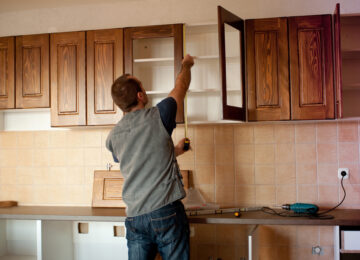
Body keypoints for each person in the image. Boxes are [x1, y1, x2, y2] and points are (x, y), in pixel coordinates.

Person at [106, 54, 194, 260]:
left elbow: (140, 157)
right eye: (143, 88)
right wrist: (186, 65)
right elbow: (181, 86)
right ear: (140, 96)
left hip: (135, 218)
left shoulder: (113, 137)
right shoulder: (160, 115)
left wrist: (176, 151)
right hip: (166, 213)